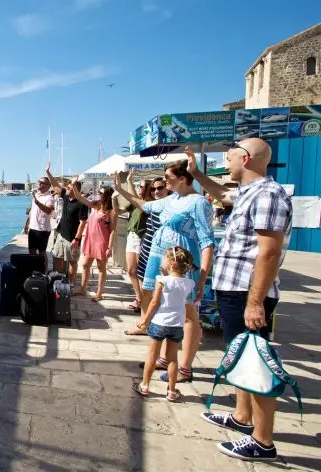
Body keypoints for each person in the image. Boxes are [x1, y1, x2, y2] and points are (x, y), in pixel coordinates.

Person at [187, 139, 292, 462]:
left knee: (255, 362)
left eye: (229, 157)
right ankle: (242, 417)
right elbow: (221, 194)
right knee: (240, 356)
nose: (226, 161)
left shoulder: (268, 195)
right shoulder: (248, 193)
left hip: (248, 292)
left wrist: (256, 301)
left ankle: (263, 441)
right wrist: (197, 174)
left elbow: (269, 251)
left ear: (245, 159)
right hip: (233, 290)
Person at [114, 160, 215, 384]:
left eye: (168, 177)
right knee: (158, 301)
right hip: (160, 256)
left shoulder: (198, 203)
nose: (164, 181)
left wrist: (202, 278)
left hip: (181, 261)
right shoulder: (171, 199)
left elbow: (207, 241)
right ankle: (165, 357)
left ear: (182, 179)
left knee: (188, 314)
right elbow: (146, 206)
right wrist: (122, 190)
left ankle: (185, 368)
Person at [133, 246, 196, 402]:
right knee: (172, 358)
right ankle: (172, 391)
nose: (163, 261)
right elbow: (177, 287)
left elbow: (154, 302)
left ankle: (145, 385)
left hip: (159, 322)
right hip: (177, 325)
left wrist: (145, 320)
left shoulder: (162, 280)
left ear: (172, 263)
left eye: (165, 258)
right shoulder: (189, 283)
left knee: (152, 355)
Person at [123, 176, 170, 335]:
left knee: (161, 292)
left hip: (162, 254)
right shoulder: (154, 206)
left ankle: (154, 323)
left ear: (167, 188)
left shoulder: (170, 206)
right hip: (148, 251)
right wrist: (123, 186)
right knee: (145, 290)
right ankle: (144, 323)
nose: (156, 191)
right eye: (153, 189)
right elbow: (135, 199)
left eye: (160, 188)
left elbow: (135, 199)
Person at [70, 176, 116, 302]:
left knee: (101, 268)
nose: (98, 194)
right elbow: (79, 198)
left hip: (102, 242)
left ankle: (99, 293)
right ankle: (83, 289)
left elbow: (112, 231)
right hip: (90, 240)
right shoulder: (96, 205)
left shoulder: (111, 212)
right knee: (85, 265)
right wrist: (74, 185)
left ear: (106, 196)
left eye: (101, 193)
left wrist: (109, 247)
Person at [113, 169, 152, 312]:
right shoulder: (135, 203)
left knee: (139, 272)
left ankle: (142, 300)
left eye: (142, 186)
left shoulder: (148, 203)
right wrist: (113, 198)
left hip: (141, 237)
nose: (139, 189)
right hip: (131, 236)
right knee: (130, 271)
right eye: (139, 186)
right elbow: (118, 211)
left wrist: (129, 181)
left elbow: (134, 200)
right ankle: (139, 297)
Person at [45, 164, 88, 282]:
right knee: (57, 257)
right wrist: (48, 172)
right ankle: (58, 280)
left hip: (72, 238)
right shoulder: (65, 197)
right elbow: (55, 185)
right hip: (61, 235)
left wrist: (77, 238)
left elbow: (83, 223)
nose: (67, 189)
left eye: (69, 188)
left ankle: (71, 283)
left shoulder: (81, 203)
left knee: (72, 262)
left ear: (75, 190)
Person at [27, 177, 55, 268]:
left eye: (42, 182)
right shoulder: (36, 195)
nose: (40, 184)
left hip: (42, 229)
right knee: (31, 251)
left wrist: (38, 203)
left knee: (42, 253)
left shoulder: (49, 197)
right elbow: (32, 211)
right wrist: (27, 224)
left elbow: (49, 211)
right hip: (33, 228)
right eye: (39, 182)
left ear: (48, 186)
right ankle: (34, 271)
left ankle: (44, 272)